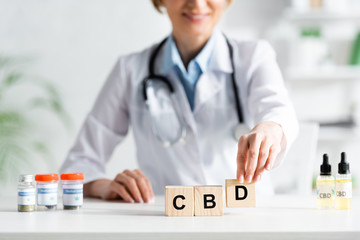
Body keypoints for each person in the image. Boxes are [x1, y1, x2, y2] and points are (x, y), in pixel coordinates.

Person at [60, 0, 298, 203]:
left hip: (245, 222)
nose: (196, 2)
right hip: (167, 223)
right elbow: (78, 164)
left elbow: (278, 110)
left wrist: (271, 129)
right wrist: (104, 187)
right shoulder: (130, 70)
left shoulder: (254, 57)